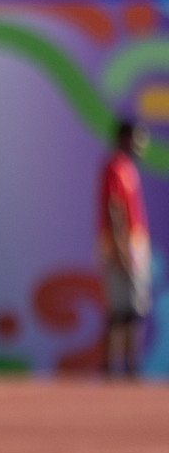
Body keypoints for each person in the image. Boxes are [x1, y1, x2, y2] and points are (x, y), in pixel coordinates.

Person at [99, 118, 151, 377]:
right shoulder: (115, 167)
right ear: (124, 138)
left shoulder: (128, 168)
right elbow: (114, 208)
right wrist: (121, 249)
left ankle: (130, 367)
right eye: (137, 138)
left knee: (132, 310)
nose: (141, 144)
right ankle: (116, 368)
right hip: (123, 245)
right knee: (121, 310)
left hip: (134, 243)